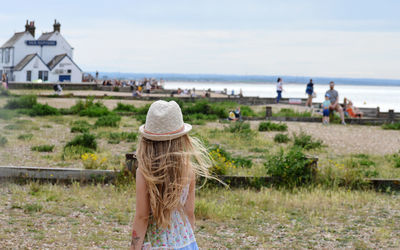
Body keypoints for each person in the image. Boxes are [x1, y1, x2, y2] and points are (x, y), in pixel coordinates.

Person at [131, 100, 214, 249]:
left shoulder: (144, 172)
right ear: (181, 138)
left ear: (147, 140)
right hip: (184, 242)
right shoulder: (188, 169)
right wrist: (188, 238)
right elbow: (189, 212)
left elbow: (142, 217)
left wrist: (133, 247)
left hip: (157, 244)